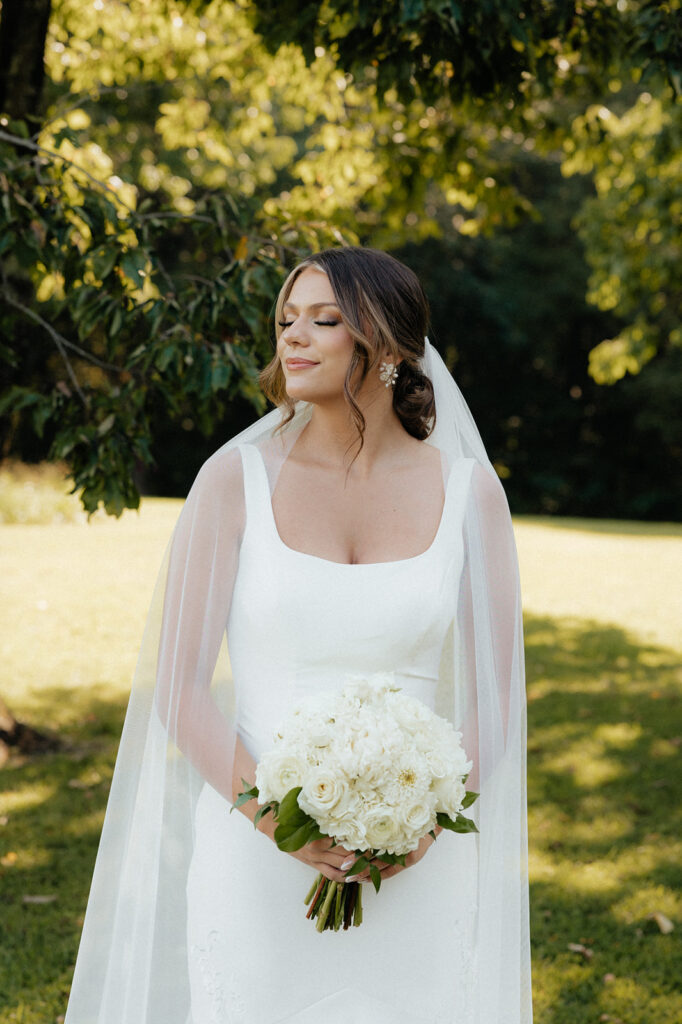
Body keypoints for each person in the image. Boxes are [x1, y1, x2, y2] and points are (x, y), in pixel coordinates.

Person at [64, 247, 532, 1024]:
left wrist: (423, 826)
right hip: (255, 851)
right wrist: (274, 817)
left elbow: (497, 696)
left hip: (418, 863)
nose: (294, 338)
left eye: (324, 320)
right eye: (287, 320)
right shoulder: (233, 481)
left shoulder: (469, 493)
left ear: (384, 346)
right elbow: (178, 689)